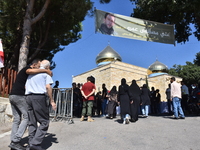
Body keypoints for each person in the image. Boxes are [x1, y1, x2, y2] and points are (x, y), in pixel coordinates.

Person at [8, 59, 52, 150]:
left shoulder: (29, 75)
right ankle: (16, 141)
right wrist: (46, 70)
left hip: (12, 95)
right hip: (19, 96)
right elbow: (30, 71)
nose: (40, 67)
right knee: (27, 117)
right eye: (38, 66)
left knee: (16, 119)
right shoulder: (27, 69)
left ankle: (13, 141)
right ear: (34, 65)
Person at [25, 60, 56, 150]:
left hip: (28, 97)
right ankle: (36, 143)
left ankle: (30, 143)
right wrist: (52, 101)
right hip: (38, 97)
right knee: (44, 121)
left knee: (32, 121)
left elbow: (26, 86)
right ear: (47, 67)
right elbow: (48, 87)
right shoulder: (46, 74)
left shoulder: (31, 74)